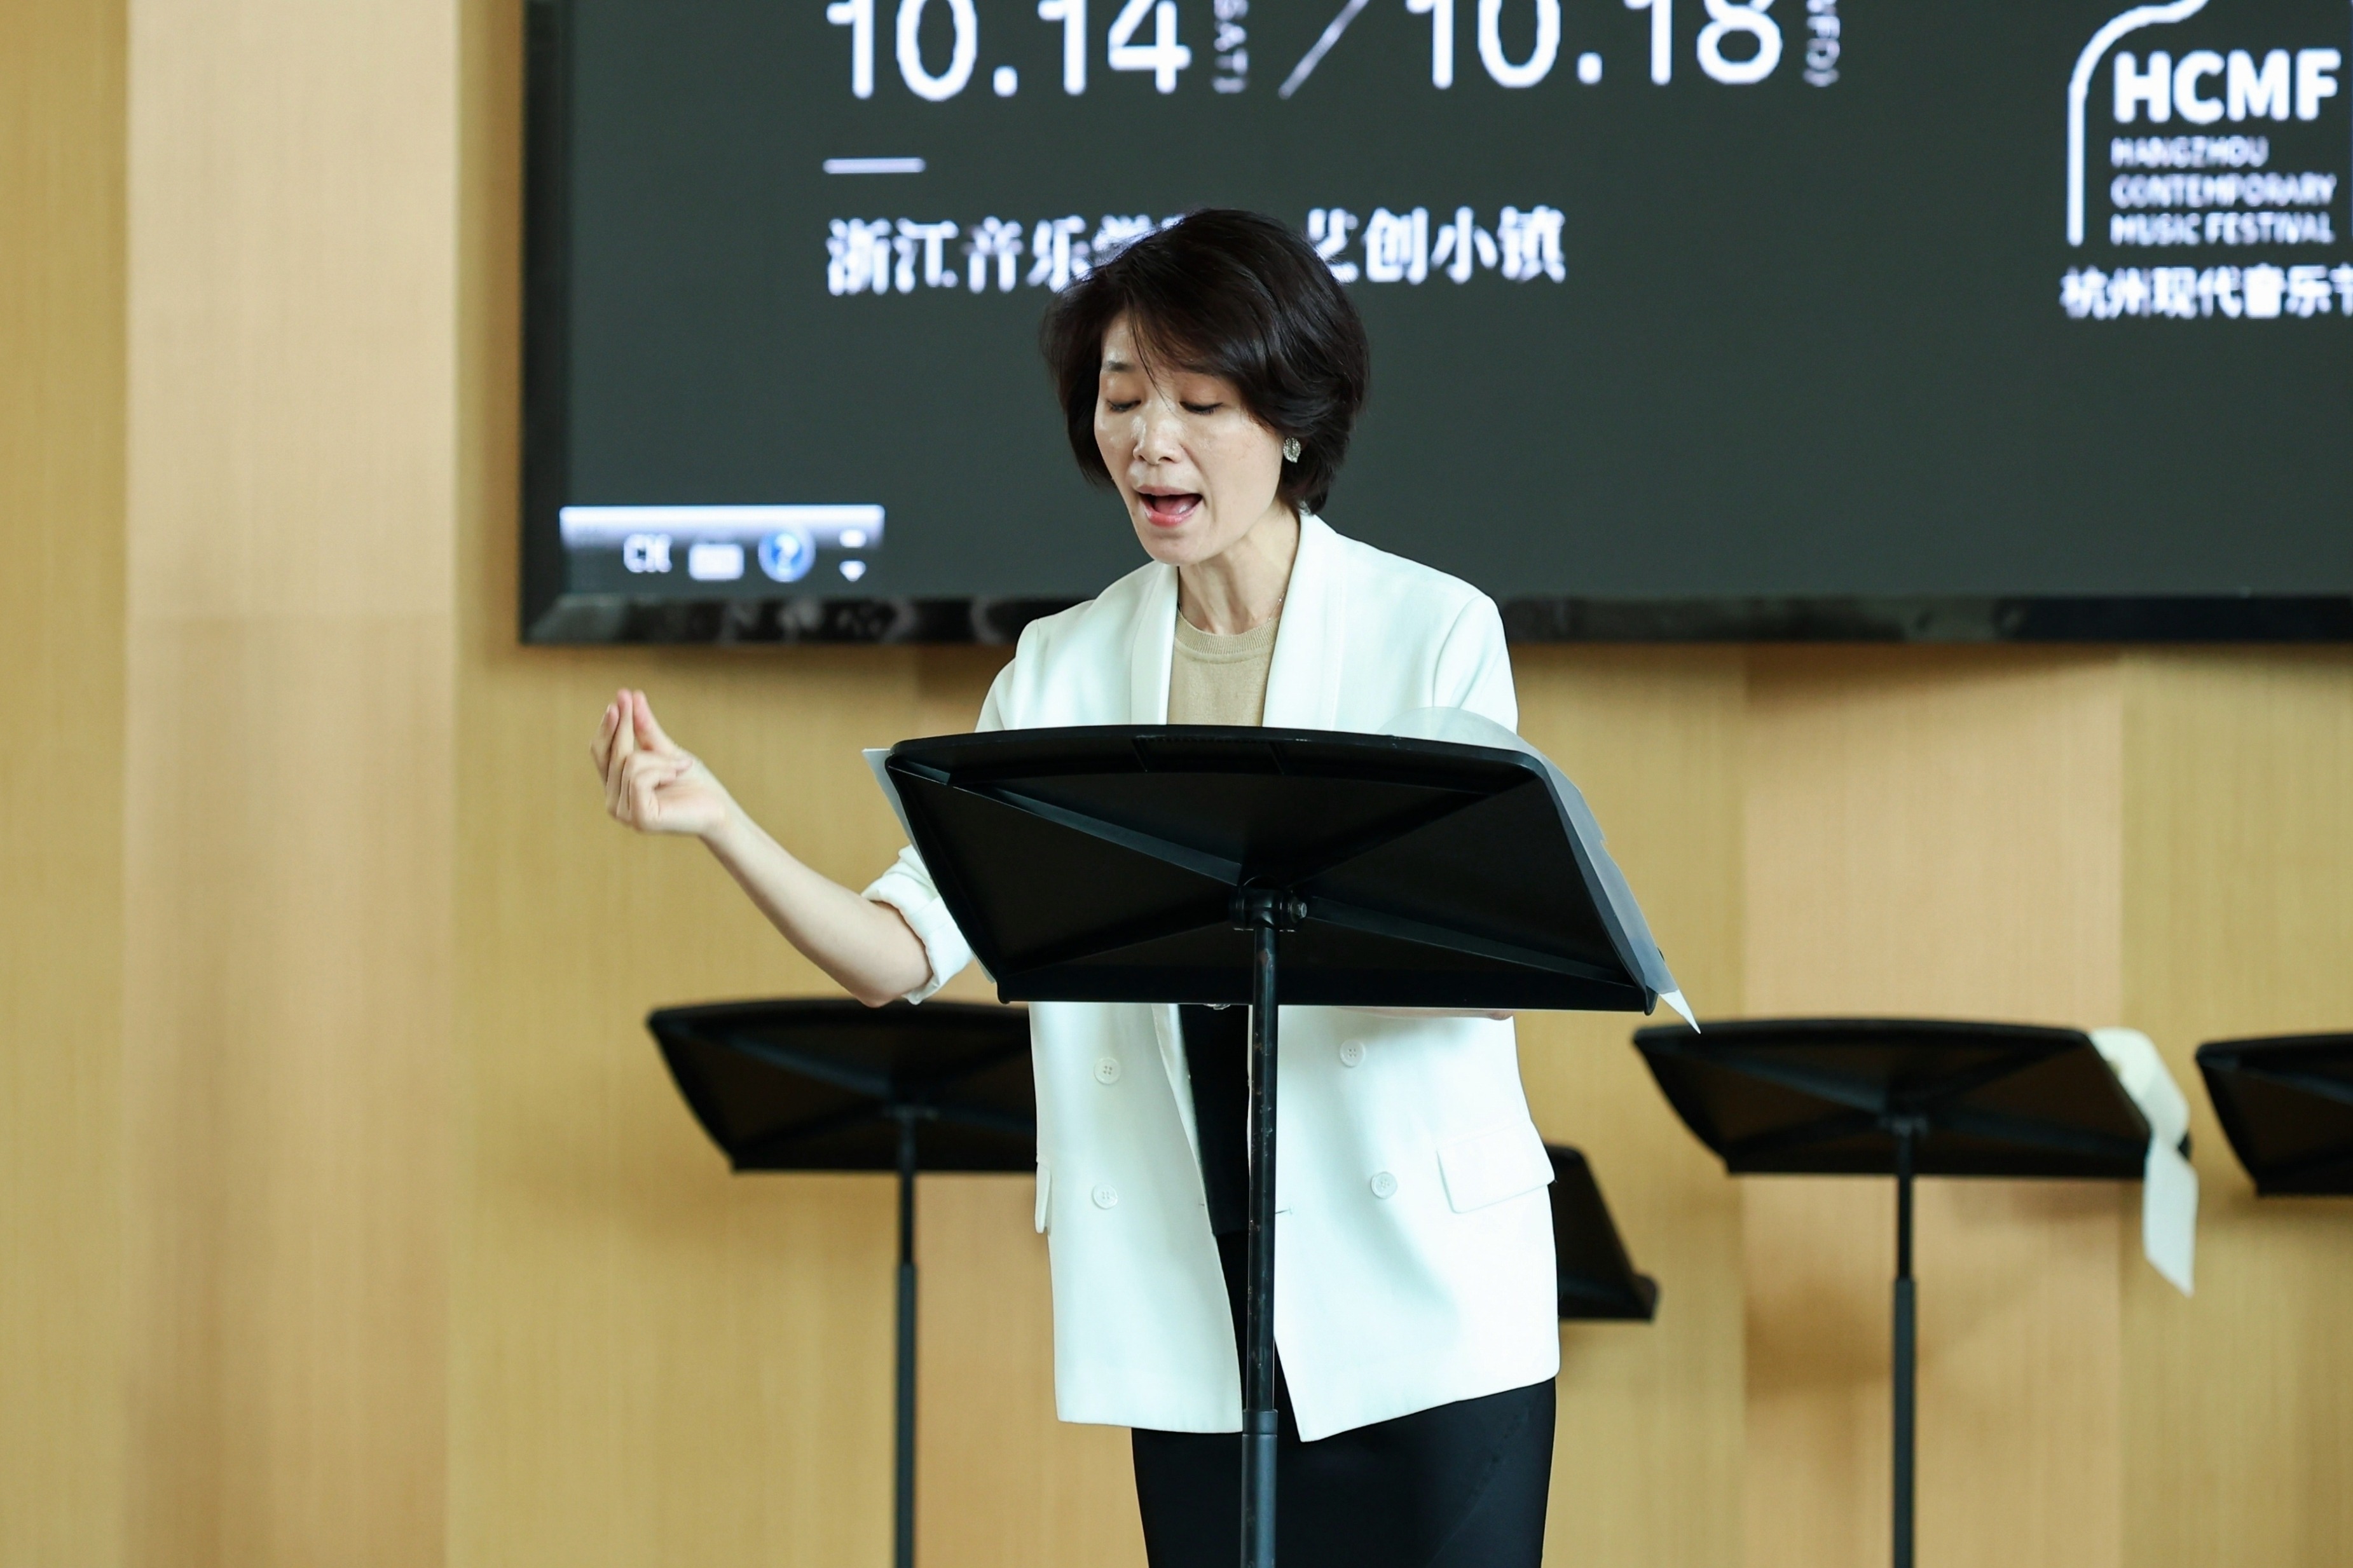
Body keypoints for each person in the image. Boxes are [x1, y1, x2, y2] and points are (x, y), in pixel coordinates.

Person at [591, 209, 1558, 1567]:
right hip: (1190, 1288)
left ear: (1291, 421)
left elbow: (1478, 939)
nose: (1150, 441)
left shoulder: (1431, 627)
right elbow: (895, 953)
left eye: (1199, 405)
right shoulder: (1058, 667)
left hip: (1421, 1298)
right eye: (1120, 399)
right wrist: (721, 823)